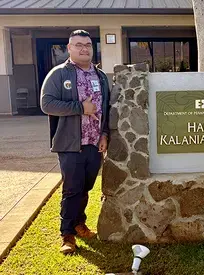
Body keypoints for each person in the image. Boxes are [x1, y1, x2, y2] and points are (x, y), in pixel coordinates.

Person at [41, 30, 110, 253]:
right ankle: (67, 234)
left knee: (85, 188)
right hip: (71, 144)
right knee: (72, 189)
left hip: (94, 144)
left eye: (88, 45)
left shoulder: (100, 76)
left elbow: (106, 110)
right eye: (78, 45)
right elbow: (47, 104)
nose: (84, 49)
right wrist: (80, 108)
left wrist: (104, 134)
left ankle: (80, 223)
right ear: (69, 48)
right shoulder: (59, 74)